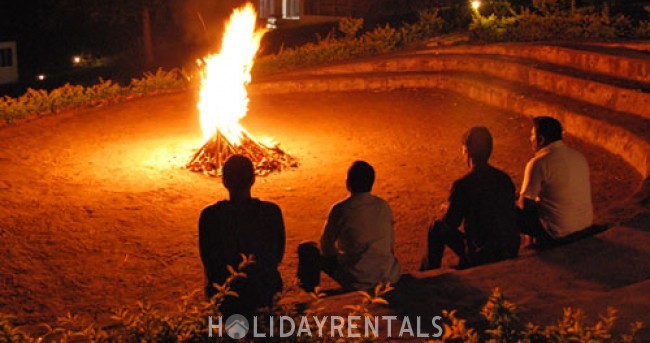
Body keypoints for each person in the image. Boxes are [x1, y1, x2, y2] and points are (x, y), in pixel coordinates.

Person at [420, 127, 520, 271]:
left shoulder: (463, 184)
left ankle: (428, 273)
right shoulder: (504, 179)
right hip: (509, 249)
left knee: (436, 227)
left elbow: (451, 223)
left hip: (482, 254)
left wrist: (451, 208)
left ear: (467, 151)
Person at [198, 155, 285, 315]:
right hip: (263, 291)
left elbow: (208, 260)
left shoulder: (210, 216)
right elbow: (277, 255)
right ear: (253, 179)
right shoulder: (271, 212)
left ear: (224, 181)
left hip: (225, 294)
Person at [297, 160, 401, 292]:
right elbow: (390, 244)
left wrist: (342, 256)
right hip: (387, 274)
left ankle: (311, 293)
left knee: (308, 249)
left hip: (357, 277)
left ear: (348, 183)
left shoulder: (341, 209)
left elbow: (326, 247)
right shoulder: (383, 206)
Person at [518, 116, 593, 246]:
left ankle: (529, 243)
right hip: (584, 225)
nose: (530, 139)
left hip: (557, 232)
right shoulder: (579, 157)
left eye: (532, 135)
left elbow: (526, 205)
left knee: (509, 209)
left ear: (540, 139)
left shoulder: (539, 163)